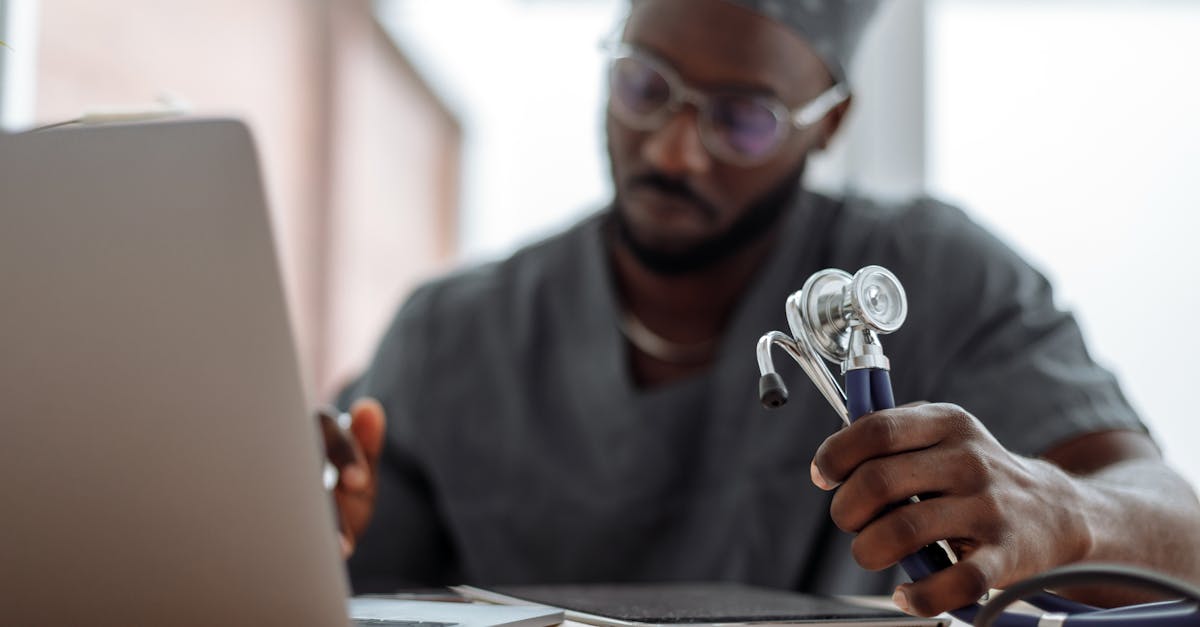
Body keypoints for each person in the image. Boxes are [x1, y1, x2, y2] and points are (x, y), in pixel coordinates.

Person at [324, 0, 1200, 617]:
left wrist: (1068, 512)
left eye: (741, 119)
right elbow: (347, 582)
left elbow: (1180, 530)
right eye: (644, 85)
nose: (674, 150)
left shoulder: (941, 281)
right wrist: (307, 530)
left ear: (830, 121)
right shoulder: (450, 336)